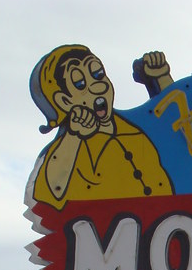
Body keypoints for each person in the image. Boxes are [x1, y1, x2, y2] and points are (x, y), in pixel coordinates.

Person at [29, 45, 174, 207]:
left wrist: (162, 78)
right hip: (108, 229)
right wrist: (73, 137)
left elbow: (182, 131)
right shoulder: (69, 151)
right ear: (64, 101)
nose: (98, 86)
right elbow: (49, 194)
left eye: (98, 75)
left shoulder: (136, 128)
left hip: (176, 224)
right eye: (80, 84)